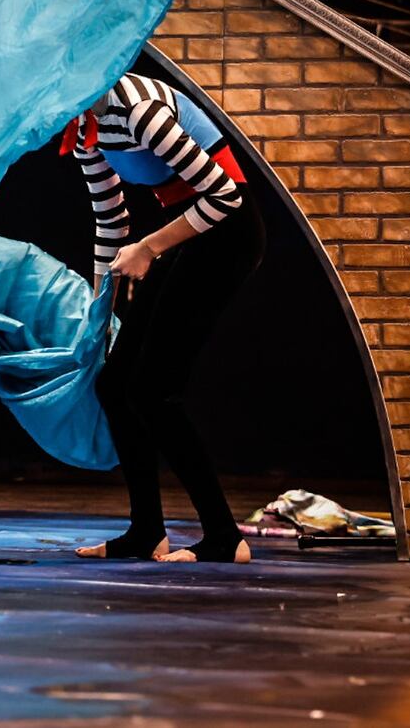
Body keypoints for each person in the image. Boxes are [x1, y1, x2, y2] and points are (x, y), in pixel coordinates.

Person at [66, 72, 265, 564]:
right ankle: (146, 531)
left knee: (153, 391)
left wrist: (150, 248)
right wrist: (98, 314)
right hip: (194, 231)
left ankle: (224, 536)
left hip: (228, 233)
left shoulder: (139, 110)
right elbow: (111, 223)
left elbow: (225, 198)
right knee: (114, 384)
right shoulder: (85, 126)